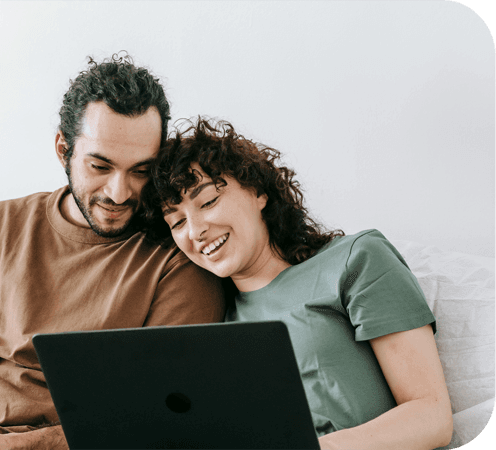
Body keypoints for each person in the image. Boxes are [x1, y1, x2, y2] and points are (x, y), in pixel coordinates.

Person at [0, 55, 226, 450]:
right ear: (63, 149)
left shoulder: (177, 259)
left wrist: (4, 447)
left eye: (141, 170)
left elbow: (157, 413)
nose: (119, 193)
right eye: (100, 166)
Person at [144, 117, 454, 450]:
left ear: (258, 191)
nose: (195, 231)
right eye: (177, 222)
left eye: (207, 202)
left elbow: (432, 417)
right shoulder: (217, 324)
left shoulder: (356, 260)